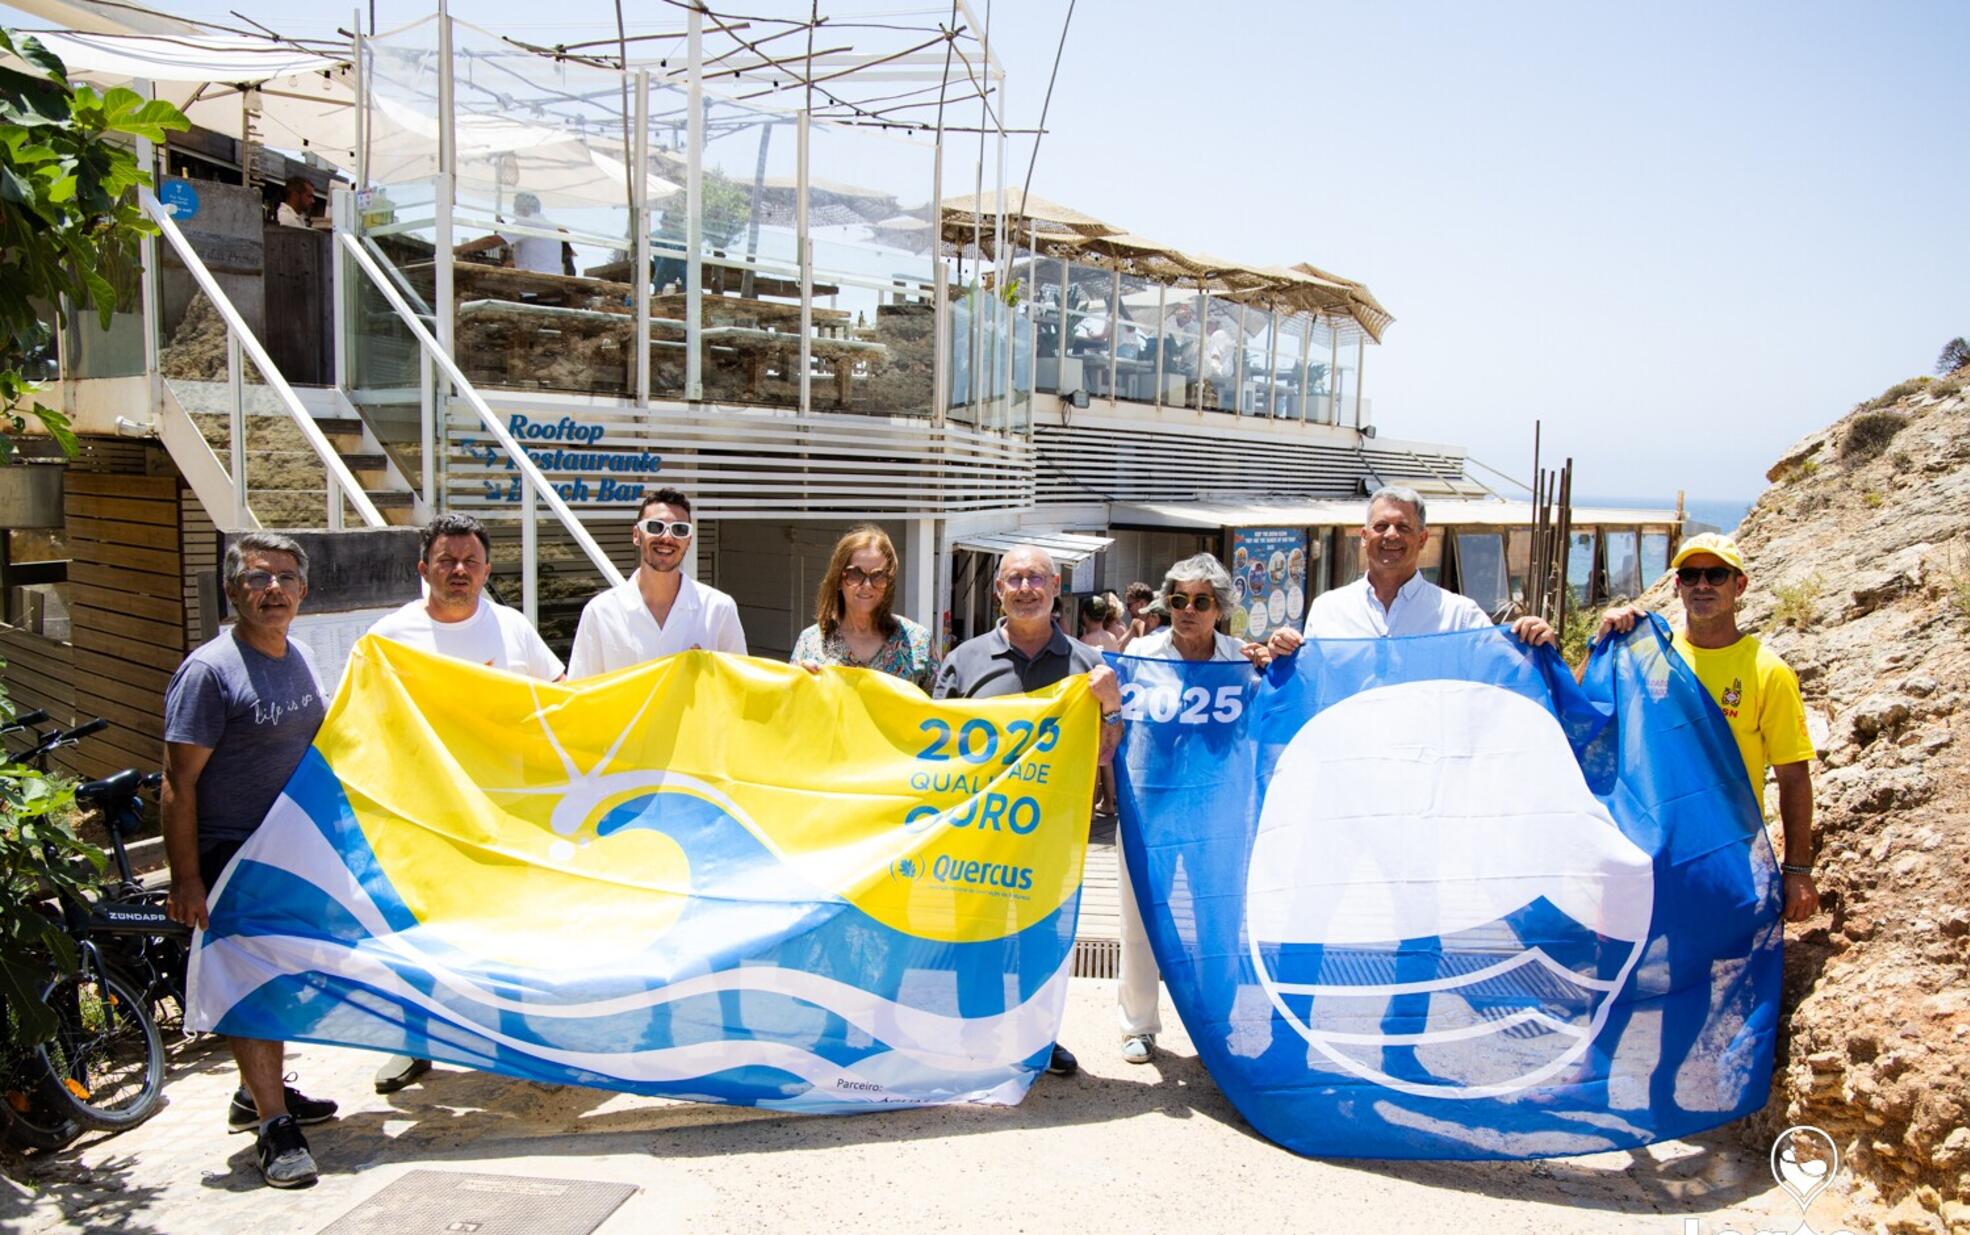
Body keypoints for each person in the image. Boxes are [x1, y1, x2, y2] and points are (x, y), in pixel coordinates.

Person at [362, 514, 563, 1095]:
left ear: (487, 570)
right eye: (446, 561)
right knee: (417, 928)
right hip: (421, 812)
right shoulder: (389, 636)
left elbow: (557, 698)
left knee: (513, 929)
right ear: (422, 568)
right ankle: (412, 1043)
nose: (459, 571)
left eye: (470, 562)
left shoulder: (513, 628)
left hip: (506, 810)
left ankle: (523, 1039)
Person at [163, 533, 336, 1189]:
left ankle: (255, 1094)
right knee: (250, 984)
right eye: (259, 579)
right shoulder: (210, 672)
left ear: (303, 590)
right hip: (231, 851)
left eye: (287, 578)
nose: (275, 590)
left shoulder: (298, 658)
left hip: (287, 850)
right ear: (233, 589)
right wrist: (186, 876)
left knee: (282, 979)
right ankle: (273, 1125)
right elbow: (177, 780)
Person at [932, 545, 1125, 1079]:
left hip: (1054, 837)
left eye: (1036, 578)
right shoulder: (963, 660)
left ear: (1056, 586)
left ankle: (1038, 1040)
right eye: (1014, 579)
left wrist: (1110, 705)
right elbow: (933, 742)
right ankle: (976, 1039)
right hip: (980, 833)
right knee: (977, 941)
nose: (1025, 589)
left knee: (1043, 940)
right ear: (998, 591)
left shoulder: (1089, 666)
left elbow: (1108, 750)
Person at [1595, 533, 1820, 922]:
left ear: (1740, 585)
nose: (1702, 585)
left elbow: (1794, 776)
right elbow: (1591, 717)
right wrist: (1601, 644)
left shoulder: (1767, 671)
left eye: (1716, 575)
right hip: (1649, 846)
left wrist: (1798, 870)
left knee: (1717, 966)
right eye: (1691, 575)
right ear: (1678, 586)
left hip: (1727, 849)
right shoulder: (1648, 656)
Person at [1116, 554, 1270, 1063]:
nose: (1187, 610)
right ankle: (1138, 1026)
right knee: (1141, 921)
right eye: (1178, 599)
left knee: (1216, 920)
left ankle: (1216, 1025)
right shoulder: (1140, 653)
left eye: (1200, 601)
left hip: (1217, 814)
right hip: (1150, 810)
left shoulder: (1243, 662)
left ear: (1220, 608)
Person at [1268, 486, 1556, 649]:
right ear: (1365, 538)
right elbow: (1308, 684)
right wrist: (1279, 651)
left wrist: (1540, 643)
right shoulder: (1328, 608)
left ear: (1422, 539)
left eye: (1403, 527)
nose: (1391, 535)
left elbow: (1506, 673)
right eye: (1381, 526)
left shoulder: (1459, 615)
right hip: (1352, 751)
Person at [569, 488, 746, 678]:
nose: (667, 538)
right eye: (655, 527)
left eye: (679, 529)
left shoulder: (719, 609)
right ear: (636, 535)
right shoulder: (600, 613)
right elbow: (580, 693)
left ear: (689, 540)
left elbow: (737, 686)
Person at [790, 525, 937, 692]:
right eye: (855, 574)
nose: (867, 585)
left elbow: (942, 711)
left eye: (878, 576)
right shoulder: (810, 643)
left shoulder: (918, 642)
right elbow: (790, 709)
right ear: (838, 579)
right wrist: (800, 682)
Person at [1118, 581, 1157, 651]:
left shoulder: (1160, 625)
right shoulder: (1137, 623)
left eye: (1129, 605)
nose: (1128, 609)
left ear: (1142, 604)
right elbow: (1120, 646)